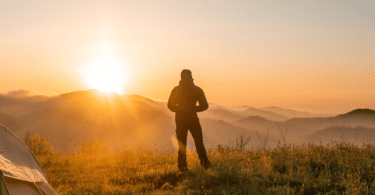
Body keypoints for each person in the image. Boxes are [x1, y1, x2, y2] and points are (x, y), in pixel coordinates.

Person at [168, 69, 211, 171]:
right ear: (191, 77)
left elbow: (170, 105)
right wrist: (193, 109)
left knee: (182, 144)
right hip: (193, 119)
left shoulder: (176, 90)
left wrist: (179, 109)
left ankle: (182, 167)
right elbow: (205, 106)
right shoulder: (197, 90)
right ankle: (205, 165)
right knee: (199, 143)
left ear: (181, 77)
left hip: (180, 120)